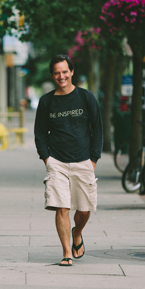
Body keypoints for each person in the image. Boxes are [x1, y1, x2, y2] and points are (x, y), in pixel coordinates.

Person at [34, 54, 103, 266]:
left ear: (71, 72)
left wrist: (93, 160)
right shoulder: (46, 101)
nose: (61, 76)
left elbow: (97, 130)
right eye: (57, 73)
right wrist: (47, 159)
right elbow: (40, 133)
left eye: (65, 72)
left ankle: (77, 232)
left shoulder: (86, 97)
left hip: (83, 161)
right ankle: (66, 253)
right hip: (57, 162)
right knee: (61, 207)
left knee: (83, 210)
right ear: (52, 75)